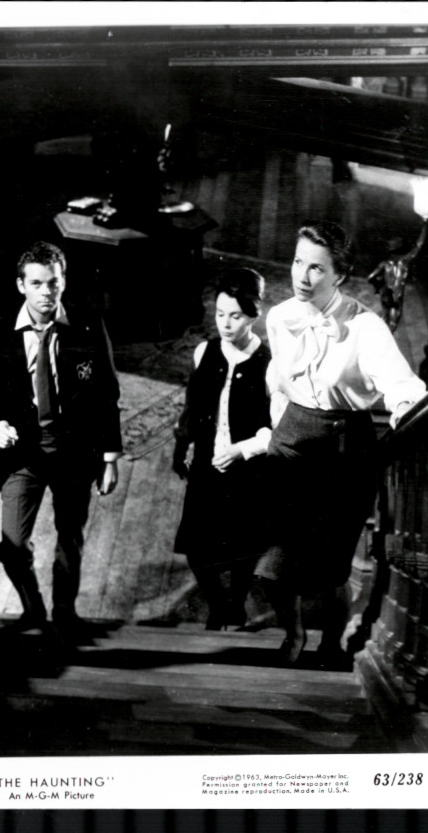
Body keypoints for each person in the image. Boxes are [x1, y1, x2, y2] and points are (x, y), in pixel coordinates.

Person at [259, 221, 425, 669]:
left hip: (343, 450)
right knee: (273, 565)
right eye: (298, 262)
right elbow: (279, 380)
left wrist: (403, 409)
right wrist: (277, 426)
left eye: (316, 268)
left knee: (331, 568)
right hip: (291, 441)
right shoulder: (279, 317)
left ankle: (330, 644)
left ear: (341, 275)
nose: (302, 275)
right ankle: (293, 632)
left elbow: (403, 386)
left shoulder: (366, 327)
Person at [0, 241, 121, 644]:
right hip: (24, 450)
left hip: (75, 449)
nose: (46, 292)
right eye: (36, 283)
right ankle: (33, 607)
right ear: (21, 285)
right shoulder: (0, 328)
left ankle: (64, 613)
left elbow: (107, 392)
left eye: (53, 283)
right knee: (12, 544)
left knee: (70, 536)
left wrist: (110, 457)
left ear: (63, 282)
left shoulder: (87, 324)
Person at [171, 268, 272, 631]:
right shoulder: (205, 352)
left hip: (249, 470)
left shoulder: (269, 364)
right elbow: (192, 408)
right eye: (220, 314)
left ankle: (237, 603)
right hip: (206, 464)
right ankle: (218, 605)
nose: (226, 324)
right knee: (198, 548)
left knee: (244, 547)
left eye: (236, 316)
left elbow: (274, 429)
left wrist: (243, 450)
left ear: (254, 315)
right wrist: (181, 446)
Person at [366, 219, 428, 331]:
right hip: (396, 295)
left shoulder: (384, 263)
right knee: (393, 322)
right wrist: (424, 227)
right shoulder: (403, 261)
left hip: (385, 293)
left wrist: (380, 286)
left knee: (386, 318)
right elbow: (418, 246)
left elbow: (370, 277)